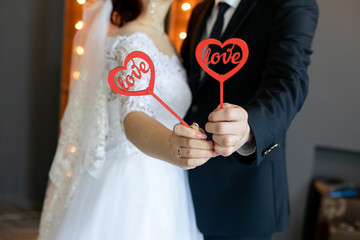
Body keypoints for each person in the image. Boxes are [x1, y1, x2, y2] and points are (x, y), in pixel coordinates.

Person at [37, 0, 215, 239]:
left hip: (168, 181)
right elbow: (133, 115)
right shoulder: (132, 41)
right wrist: (172, 147)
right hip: (133, 181)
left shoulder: (167, 40)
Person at [173, 0, 319, 239]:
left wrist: (249, 129)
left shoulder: (291, 4)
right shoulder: (200, 10)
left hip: (242, 194)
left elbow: (289, 81)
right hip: (182, 185)